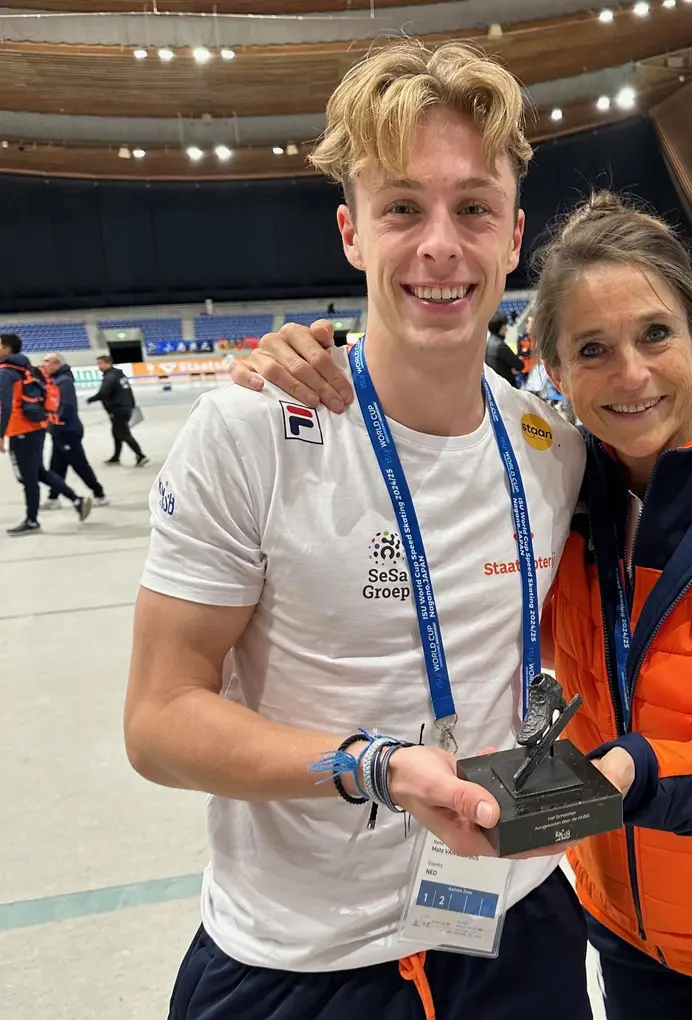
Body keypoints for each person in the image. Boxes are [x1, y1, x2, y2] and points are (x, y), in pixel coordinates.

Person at [234, 192, 692, 1020]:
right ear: (552, 368)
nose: (631, 374)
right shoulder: (562, 493)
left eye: (655, 333)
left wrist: (636, 772)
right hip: (625, 938)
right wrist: (294, 365)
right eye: (591, 349)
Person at [124, 40, 591, 1020]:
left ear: (513, 234)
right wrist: (369, 766)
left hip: (518, 925)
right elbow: (158, 720)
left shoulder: (551, 446)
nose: (439, 245)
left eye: (472, 207)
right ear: (351, 231)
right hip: (305, 959)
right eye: (402, 208)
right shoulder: (252, 432)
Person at [0, 333, 92, 535]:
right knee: (37, 472)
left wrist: (0, 433)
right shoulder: (27, 368)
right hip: (36, 426)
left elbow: (5, 405)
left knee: (28, 477)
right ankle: (76, 500)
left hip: (20, 429)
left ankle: (32, 521)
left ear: (7, 349)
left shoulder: (6, 372)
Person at [40, 353, 107, 510]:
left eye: (47, 362)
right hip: (58, 431)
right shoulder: (55, 380)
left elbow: (66, 406)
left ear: (57, 364)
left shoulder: (64, 382)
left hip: (67, 430)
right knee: (57, 465)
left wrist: (52, 419)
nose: (44, 365)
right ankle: (53, 497)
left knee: (79, 464)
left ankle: (99, 493)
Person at [87, 355, 148, 466]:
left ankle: (141, 455)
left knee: (124, 434)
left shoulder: (110, 377)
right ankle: (116, 457)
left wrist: (91, 399)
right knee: (116, 433)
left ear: (107, 363)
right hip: (125, 407)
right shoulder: (119, 375)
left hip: (118, 409)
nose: (98, 366)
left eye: (100, 363)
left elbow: (103, 393)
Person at [484, 310, 524, 387]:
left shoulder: (488, 343)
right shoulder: (500, 346)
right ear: (500, 328)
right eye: (505, 326)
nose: (507, 329)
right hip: (506, 387)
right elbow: (520, 365)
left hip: (494, 385)